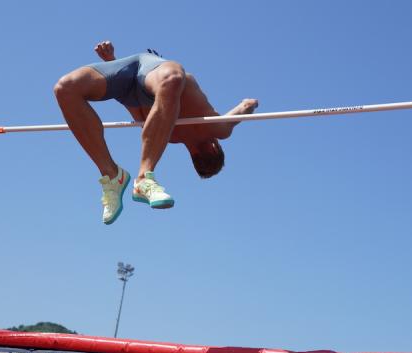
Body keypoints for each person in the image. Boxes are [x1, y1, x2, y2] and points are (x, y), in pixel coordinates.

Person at [54, 41, 259, 225]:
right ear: (195, 157)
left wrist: (252, 103)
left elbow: (246, 104)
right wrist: (113, 66)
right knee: (65, 88)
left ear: (215, 149)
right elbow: (137, 111)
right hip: (147, 73)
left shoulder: (209, 131)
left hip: (135, 81)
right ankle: (122, 175)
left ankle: (132, 177)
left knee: (66, 89)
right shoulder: (169, 136)